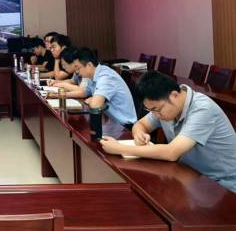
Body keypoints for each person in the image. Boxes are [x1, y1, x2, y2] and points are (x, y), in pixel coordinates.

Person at [101, 71, 236, 192]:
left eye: (157, 110)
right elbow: (141, 124)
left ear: (174, 95)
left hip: (222, 184)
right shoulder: (165, 105)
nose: (155, 115)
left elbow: (172, 153)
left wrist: (119, 148)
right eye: (151, 110)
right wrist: (139, 133)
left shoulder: (203, 109)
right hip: (191, 175)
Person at [66, 48, 137, 127]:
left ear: (89, 65)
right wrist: (63, 95)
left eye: (78, 68)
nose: (77, 72)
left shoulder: (105, 76)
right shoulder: (92, 75)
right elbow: (84, 92)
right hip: (109, 120)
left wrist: (93, 100)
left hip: (123, 126)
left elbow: (95, 105)